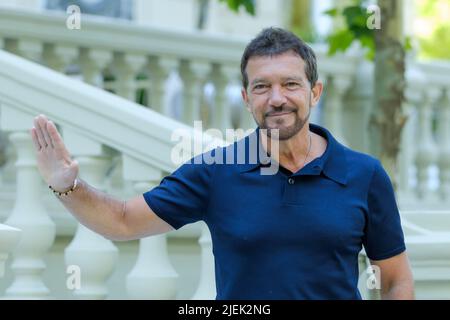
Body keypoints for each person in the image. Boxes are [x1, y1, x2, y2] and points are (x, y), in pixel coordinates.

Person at [30, 27, 414, 300]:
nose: (276, 98)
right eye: (262, 87)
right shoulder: (216, 172)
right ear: (247, 99)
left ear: (315, 91)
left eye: (290, 84)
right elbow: (123, 221)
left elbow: (395, 280)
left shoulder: (363, 175)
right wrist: (67, 186)